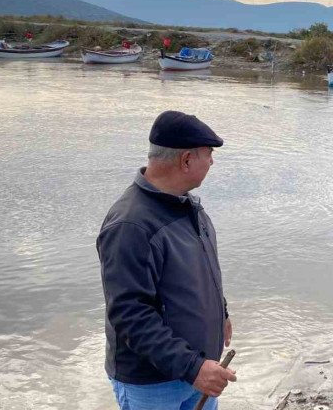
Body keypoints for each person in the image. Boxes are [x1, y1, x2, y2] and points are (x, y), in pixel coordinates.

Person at [97, 110, 236, 410]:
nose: (212, 162)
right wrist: (193, 368)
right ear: (186, 160)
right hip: (153, 385)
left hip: (198, 370)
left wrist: (220, 311)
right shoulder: (130, 225)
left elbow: (199, 271)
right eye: (208, 154)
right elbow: (130, 316)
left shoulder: (187, 207)